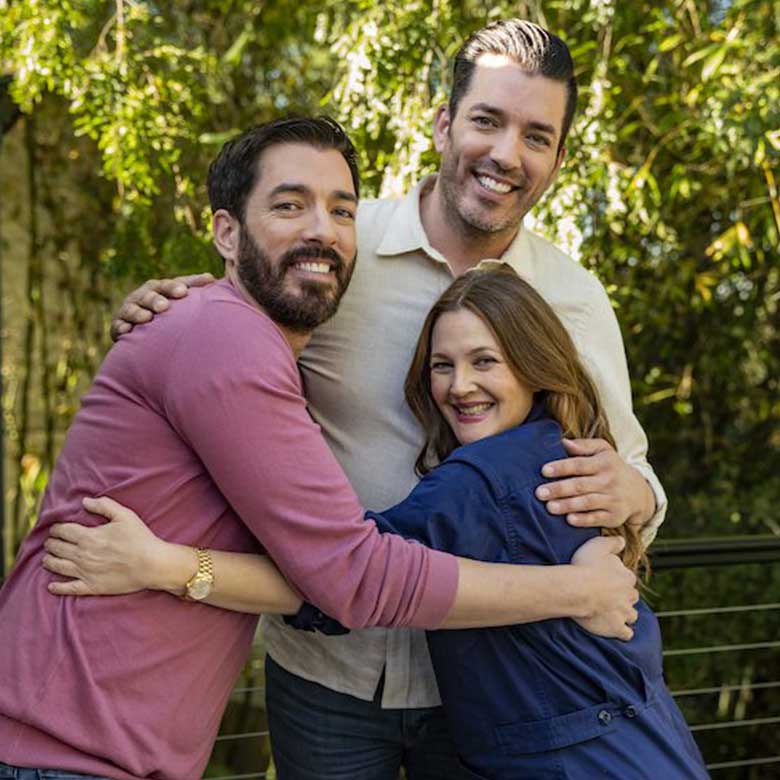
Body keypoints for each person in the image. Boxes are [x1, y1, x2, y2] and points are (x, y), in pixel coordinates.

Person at [86, 18, 668, 780]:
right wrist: (153, 307)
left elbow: (640, 483)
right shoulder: (336, 244)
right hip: (324, 672)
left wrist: (631, 492)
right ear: (443, 122)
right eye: (487, 121)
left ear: (559, 157)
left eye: (536, 135)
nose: (504, 154)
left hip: (490, 680)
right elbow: (218, 331)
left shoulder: (576, 301)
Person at [46, 266, 708, 779]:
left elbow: (338, 581)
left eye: (486, 361)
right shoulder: (560, 450)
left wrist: (163, 566)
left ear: (534, 365)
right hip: (652, 748)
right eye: (442, 365)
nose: (458, 386)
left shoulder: (481, 484)